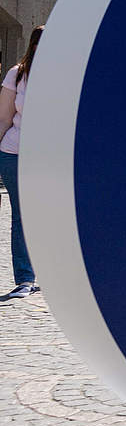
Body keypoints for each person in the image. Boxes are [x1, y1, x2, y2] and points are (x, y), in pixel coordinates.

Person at [0, 27, 42, 299]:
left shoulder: (67, 78)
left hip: (49, 160)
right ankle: (25, 279)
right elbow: (4, 118)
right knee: (22, 216)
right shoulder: (17, 74)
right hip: (15, 153)